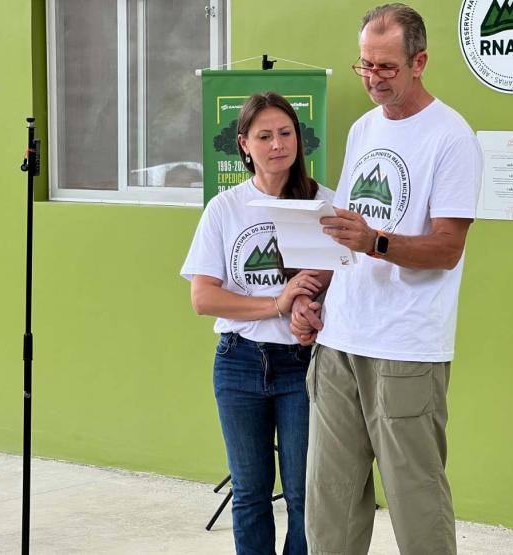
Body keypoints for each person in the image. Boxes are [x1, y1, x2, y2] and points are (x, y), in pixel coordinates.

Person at [291, 4, 482, 554]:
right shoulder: (363, 129)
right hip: (339, 341)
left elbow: (447, 248)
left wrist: (376, 241)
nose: (373, 78)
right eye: (365, 65)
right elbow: (344, 234)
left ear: (419, 62)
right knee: (329, 501)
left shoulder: (451, 138)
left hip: (406, 347)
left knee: (416, 501)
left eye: (386, 67)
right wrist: (313, 295)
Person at [181, 91, 333, 555]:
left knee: (305, 494)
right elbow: (204, 298)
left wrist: (312, 307)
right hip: (238, 363)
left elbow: (347, 280)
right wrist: (279, 303)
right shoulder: (225, 208)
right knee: (249, 494)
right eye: (264, 136)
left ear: (299, 139)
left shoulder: (325, 203)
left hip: (303, 364)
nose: (277, 145)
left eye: (285, 133)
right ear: (244, 144)